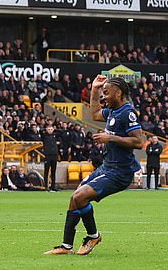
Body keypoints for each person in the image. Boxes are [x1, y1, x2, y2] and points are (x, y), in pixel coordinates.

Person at [45, 76, 143, 255]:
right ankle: (66, 246)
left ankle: (93, 235)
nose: (103, 97)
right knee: (75, 197)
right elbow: (95, 114)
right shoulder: (113, 110)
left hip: (120, 172)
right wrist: (94, 90)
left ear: (119, 92)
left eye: (106, 92)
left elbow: (138, 142)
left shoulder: (127, 113)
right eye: (103, 93)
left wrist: (110, 137)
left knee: (81, 196)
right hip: (107, 167)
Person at [41, 125, 59, 192]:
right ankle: (46, 186)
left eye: (51, 129)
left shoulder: (55, 136)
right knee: (46, 171)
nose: (50, 131)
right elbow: (40, 131)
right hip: (47, 155)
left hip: (54, 155)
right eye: (48, 129)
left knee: (53, 171)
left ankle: (53, 186)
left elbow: (61, 132)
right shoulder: (44, 136)